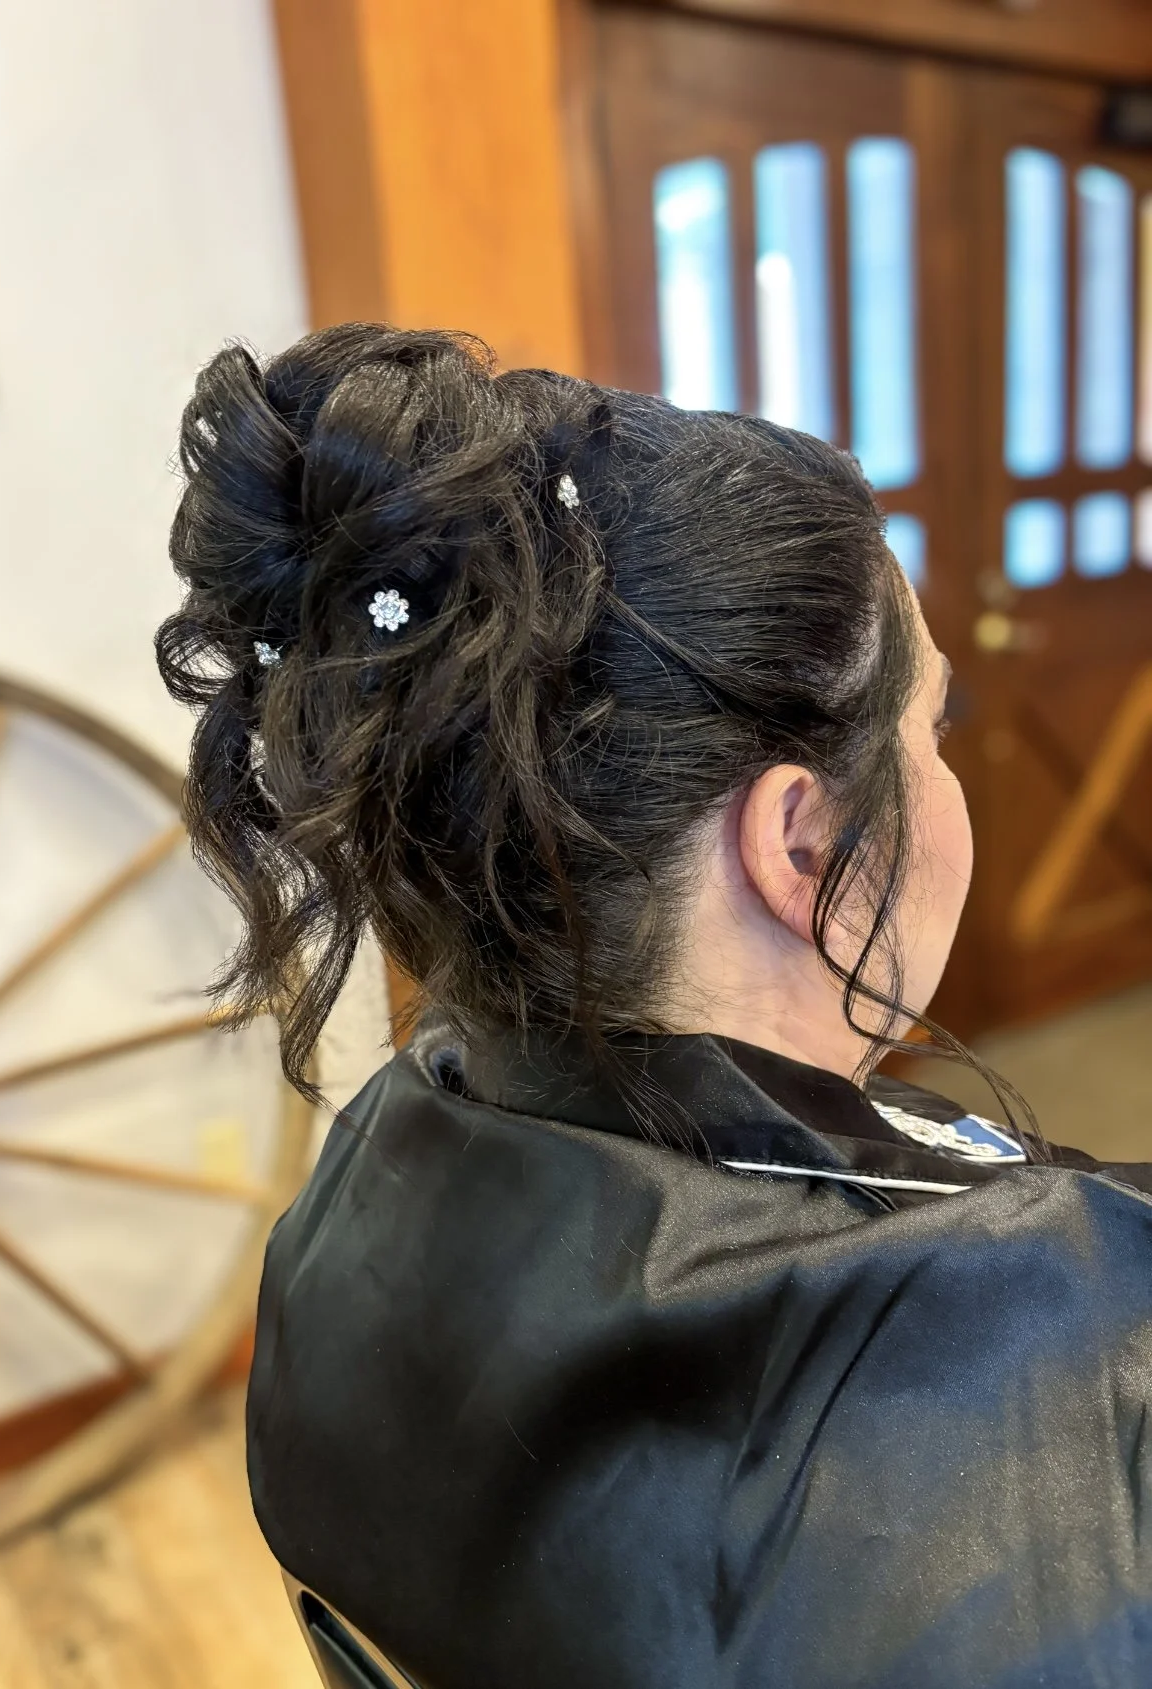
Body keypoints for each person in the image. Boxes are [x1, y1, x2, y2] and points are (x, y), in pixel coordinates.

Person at [157, 324, 1152, 1689]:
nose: (946, 773)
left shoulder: (353, 1190)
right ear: (800, 846)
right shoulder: (1080, 1354)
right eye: (931, 728)